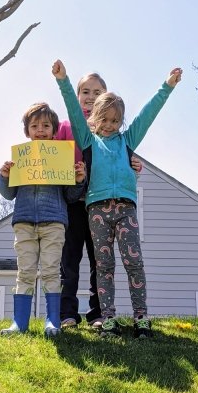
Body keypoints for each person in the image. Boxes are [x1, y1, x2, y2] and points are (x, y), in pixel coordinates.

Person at [52, 60, 182, 339]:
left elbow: (148, 115)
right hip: (96, 210)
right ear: (94, 118)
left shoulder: (127, 140)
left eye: (115, 121)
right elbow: (73, 109)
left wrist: (167, 87)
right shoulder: (87, 141)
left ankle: (141, 318)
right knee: (104, 265)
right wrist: (63, 81)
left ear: (121, 121)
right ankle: (107, 318)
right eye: (104, 120)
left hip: (126, 209)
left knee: (134, 262)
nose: (109, 126)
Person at [55, 72, 142, 330]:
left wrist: (133, 162)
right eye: (86, 92)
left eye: (97, 92)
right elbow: (52, 158)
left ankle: (97, 313)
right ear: (78, 95)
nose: (90, 97)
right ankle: (67, 313)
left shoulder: (109, 128)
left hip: (99, 203)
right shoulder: (68, 126)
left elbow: (119, 156)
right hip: (73, 200)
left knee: (99, 261)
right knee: (69, 260)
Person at [0, 102, 86, 337]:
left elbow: (70, 196)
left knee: (50, 272)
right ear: (27, 131)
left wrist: (78, 180)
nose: (40, 130)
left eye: (46, 125)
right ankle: (19, 323)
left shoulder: (61, 158)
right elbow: (8, 195)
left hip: (54, 223)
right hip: (24, 222)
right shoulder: (20, 159)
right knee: (25, 271)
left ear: (54, 131)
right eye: (34, 126)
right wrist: (4, 176)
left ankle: (52, 321)